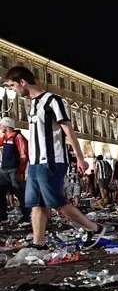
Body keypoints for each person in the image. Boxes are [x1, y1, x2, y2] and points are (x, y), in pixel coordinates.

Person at [3, 65, 106, 249]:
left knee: (57, 203)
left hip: (52, 161)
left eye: (12, 85)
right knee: (36, 204)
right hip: (35, 163)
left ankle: (95, 228)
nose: (12, 90)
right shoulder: (32, 104)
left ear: (22, 82)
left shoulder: (52, 100)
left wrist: (80, 158)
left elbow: (68, 129)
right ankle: (38, 243)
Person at [0, 116, 29, 224]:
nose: (0, 127)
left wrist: (21, 171)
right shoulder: (5, 138)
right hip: (4, 170)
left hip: (14, 170)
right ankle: (2, 216)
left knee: (20, 193)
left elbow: (23, 155)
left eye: (1, 125)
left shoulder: (17, 137)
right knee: (1, 192)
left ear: (7, 126)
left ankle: (26, 216)